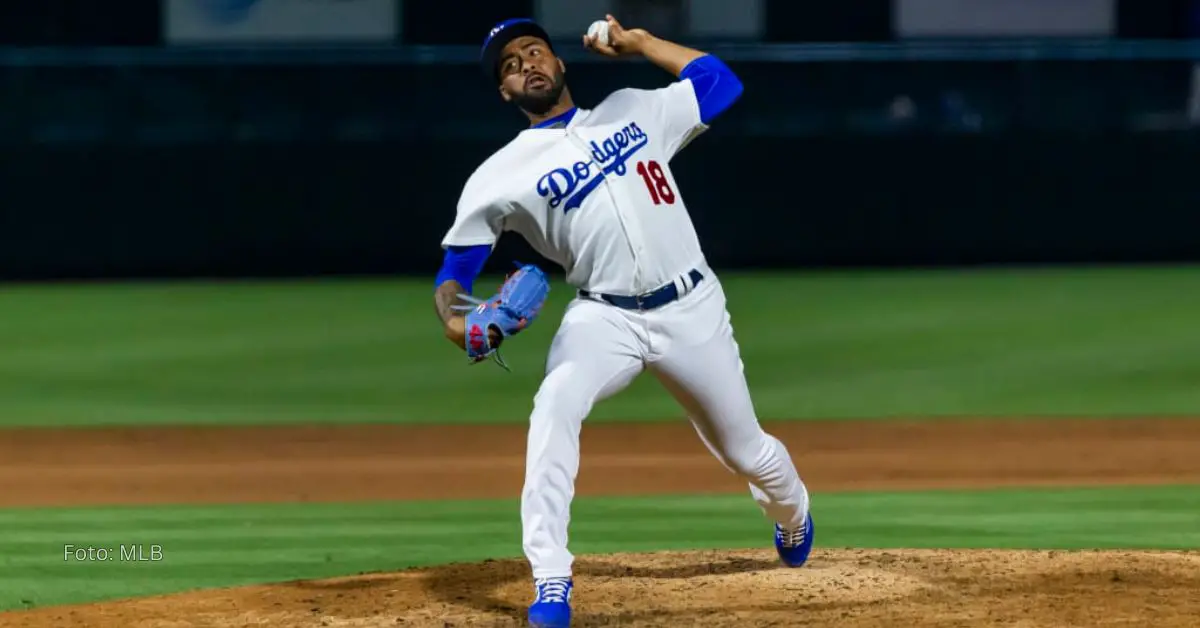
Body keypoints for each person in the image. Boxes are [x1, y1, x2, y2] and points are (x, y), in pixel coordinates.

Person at [433, 15, 814, 627]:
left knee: (747, 453)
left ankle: (792, 513)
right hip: (603, 316)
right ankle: (551, 581)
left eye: (535, 52)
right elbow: (455, 272)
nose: (526, 63)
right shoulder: (497, 175)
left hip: (693, 309)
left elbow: (721, 83)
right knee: (553, 406)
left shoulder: (633, 109)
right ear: (505, 92)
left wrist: (639, 44)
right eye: (510, 65)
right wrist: (456, 321)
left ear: (560, 65)